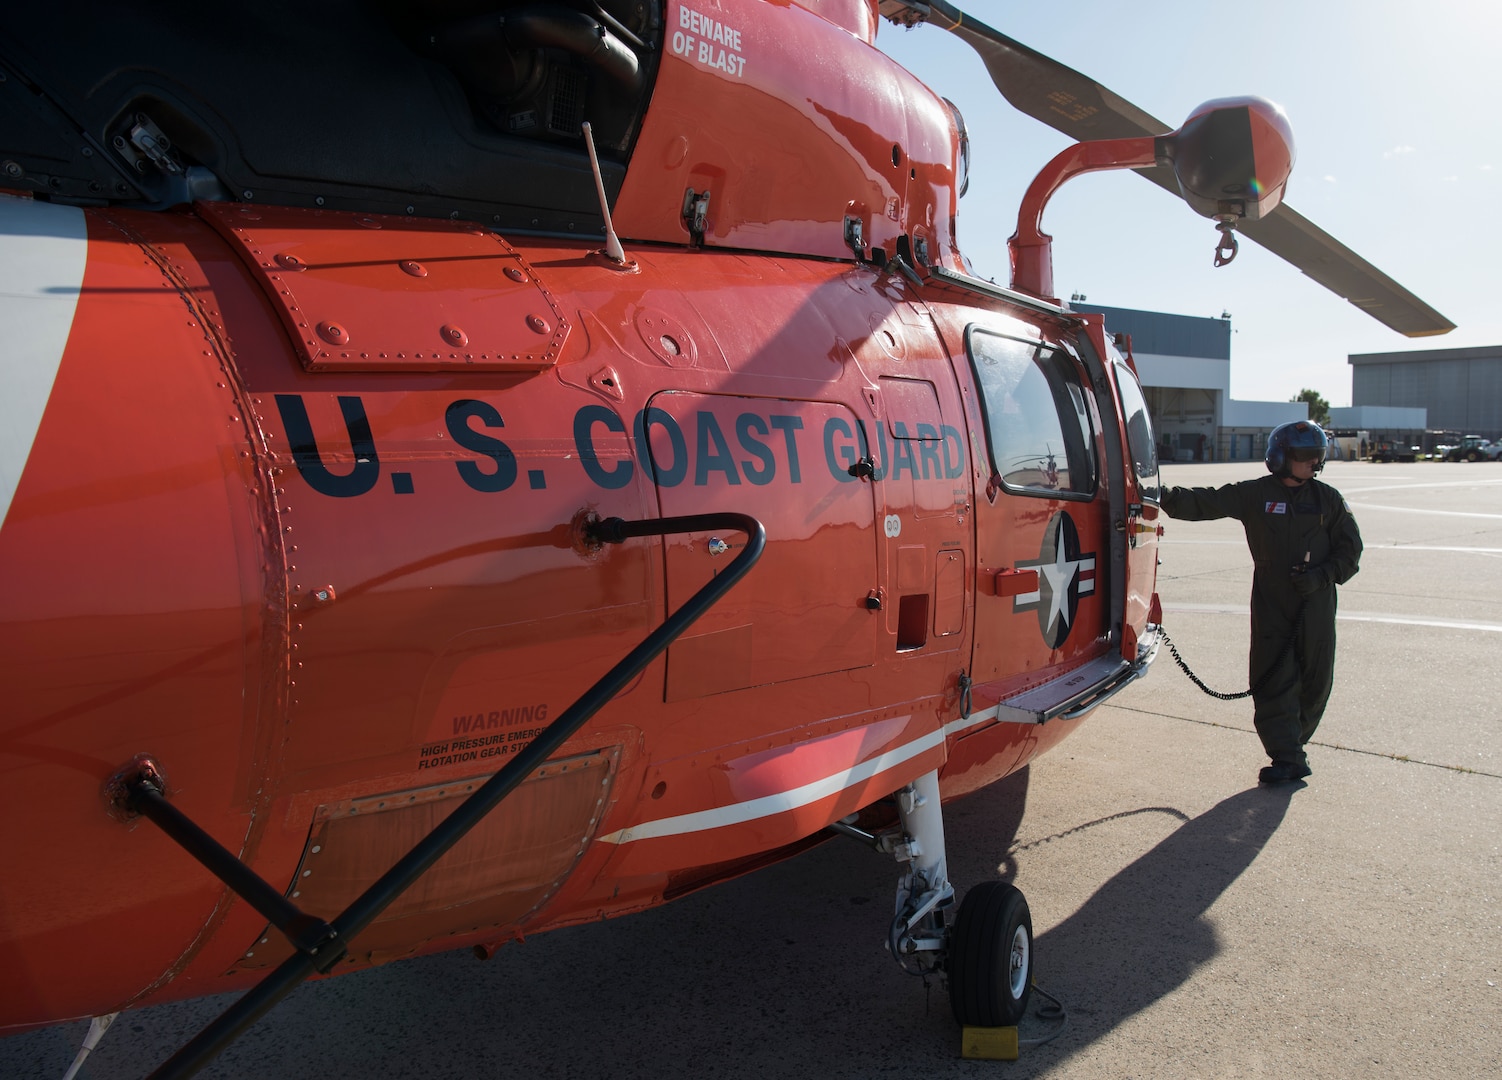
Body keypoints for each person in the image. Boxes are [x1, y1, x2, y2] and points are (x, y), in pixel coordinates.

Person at [1161, 421, 1363, 785]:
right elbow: (1206, 501)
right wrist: (1160, 495)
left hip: (1315, 600)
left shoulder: (1328, 499)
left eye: (1318, 456)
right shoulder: (1256, 494)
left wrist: (1319, 576)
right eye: (1305, 456)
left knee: (1316, 678)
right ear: (1282, 457)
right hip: (1272, 598)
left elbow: (1351, 553)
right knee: (1273, 676)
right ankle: (1287, 754)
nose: (1314, 463)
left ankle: (1294, 742)